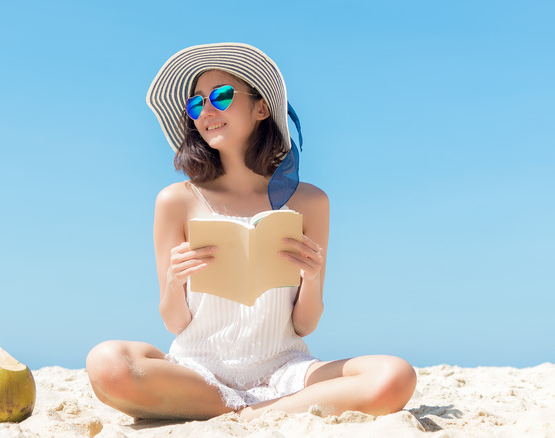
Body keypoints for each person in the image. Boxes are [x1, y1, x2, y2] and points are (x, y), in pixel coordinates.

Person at [86, 42, 416, 421]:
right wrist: (175, 281)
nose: (206, 111)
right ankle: (238, 408)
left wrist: (311, 277)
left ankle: (249, 413)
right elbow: (174, 322)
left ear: (262, 108)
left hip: (285, 370)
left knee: (395, 375)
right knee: (106, 363)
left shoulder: (310, 202)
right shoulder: (175, 201)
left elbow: (305, 324)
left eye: (221, 96)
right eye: (196, 105)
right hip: (198, 371)